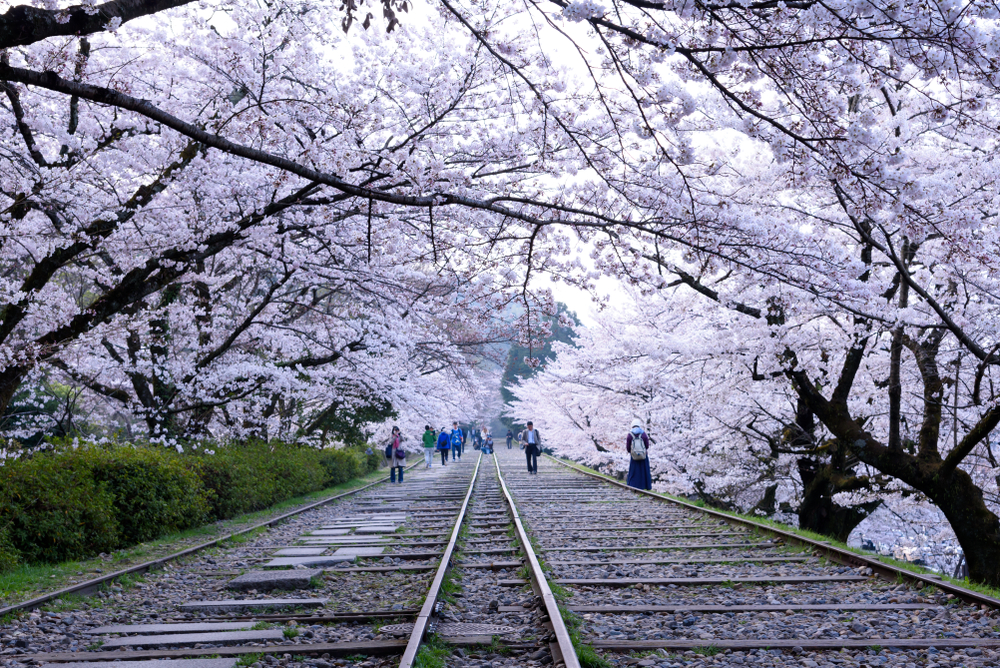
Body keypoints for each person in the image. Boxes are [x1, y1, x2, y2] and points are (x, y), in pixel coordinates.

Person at [626, 419, 652, 490]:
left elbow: (628, 447)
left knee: (634, 472)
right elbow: (647, 445)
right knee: (643, 471)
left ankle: (633, 485)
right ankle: (645, 486)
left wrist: (632, 452)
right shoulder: (643, 434)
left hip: (634, 457)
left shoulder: (630, 435)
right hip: (643, 456)